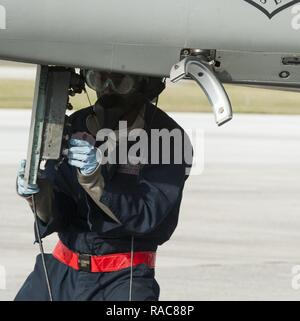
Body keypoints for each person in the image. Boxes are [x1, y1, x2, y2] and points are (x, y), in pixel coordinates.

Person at [15, 70, 192, 301]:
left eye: (119, 80)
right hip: (62, 270)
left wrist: (94, 180)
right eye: (98, 79)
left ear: (143, 83)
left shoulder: (169, 138)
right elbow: (62, 211)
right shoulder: (75, 124)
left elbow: (146, 215)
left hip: (123, 277)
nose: (107, 88)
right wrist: (38, 195)